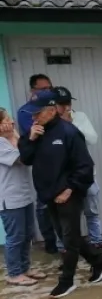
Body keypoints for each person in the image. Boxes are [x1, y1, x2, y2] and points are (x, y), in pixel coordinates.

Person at [17, 90, 102, 299]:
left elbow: (85, 166)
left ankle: (66, 281)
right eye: (32, 114)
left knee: (69, 239)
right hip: (47, 194)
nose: (34, 117)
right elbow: (26, 158)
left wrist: (70, 189)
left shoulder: (69, 132)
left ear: (51, 110)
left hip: (68, 194)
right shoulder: (36, 132)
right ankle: (100, 262)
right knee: (66, 235)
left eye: (37, 113)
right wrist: (31, 139)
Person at [53, 87, 102, 250]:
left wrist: (71, 125)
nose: (67, 107)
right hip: (62, 179)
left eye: (68, 102)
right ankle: (65, 249)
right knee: (64, 218)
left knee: (92, 212)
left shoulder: (80, 117)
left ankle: (97, 244)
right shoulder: (50, 122)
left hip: (85, 175)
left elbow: (92, 139)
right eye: (62, 104)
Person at [0, 107, 46, 287]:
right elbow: (22, 158)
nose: (11, 122)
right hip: (9, 199)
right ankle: (14, 273)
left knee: (27, 235)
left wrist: (16, 136)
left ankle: (25, 268)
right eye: (6, 120)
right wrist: (14, 137)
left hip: (24, 195)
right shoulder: (2, 142)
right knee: (15, 237)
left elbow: (28, 150)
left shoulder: (12, 138)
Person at [16, 73, 58, 254]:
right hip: (41, 163)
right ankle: (50, 241)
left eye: (49, 88)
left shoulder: (54, 107)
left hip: (59, 161)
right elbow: (37, 133)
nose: (47, 92)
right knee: (43, 205)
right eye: (43, 89)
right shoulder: (26, 112)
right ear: (32, 91)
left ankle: (66, 243)